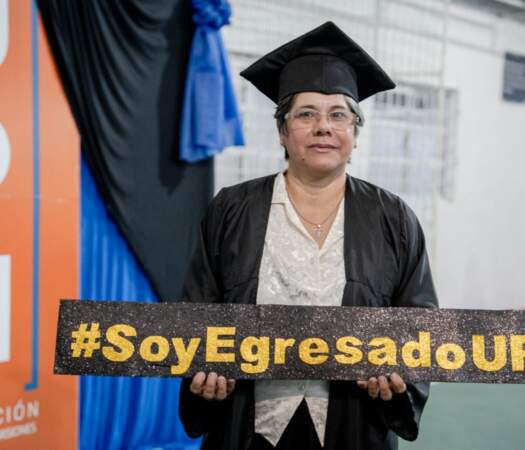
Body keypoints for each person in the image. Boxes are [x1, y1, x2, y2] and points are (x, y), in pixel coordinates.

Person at [178, 22, 438, 450]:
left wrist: (400, 376)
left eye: (339, 114)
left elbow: (420, 321)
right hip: (249, 425)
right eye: (306, 114)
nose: (324, 127)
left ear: (354, 133)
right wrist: (201, 373)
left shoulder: (393, 218)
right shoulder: (232, 209)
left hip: (352, 426)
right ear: (283, 131)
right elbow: (195, 311)